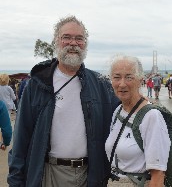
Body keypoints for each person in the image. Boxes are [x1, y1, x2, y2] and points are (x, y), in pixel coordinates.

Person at [8, 15, 119, 187]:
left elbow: (123, 117)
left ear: (85, 44)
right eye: (66, 37)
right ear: (56, 41)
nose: (73, 43)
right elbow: (21, 136)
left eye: (79, 38)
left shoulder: (101, 84)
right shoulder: (37, 84)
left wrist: (144, 105)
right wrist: (15, 179)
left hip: (90, 175)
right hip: (48, 173)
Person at [105, 55, 171, 186]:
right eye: (117, 77)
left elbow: (158, 176)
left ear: (141, 80)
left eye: (129, 77)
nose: (122, 84)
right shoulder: (118, 111)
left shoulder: (151, 116)